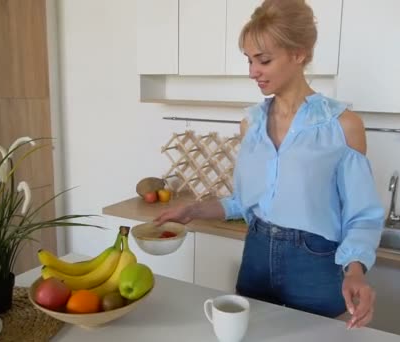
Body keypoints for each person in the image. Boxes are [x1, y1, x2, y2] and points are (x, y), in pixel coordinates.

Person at [154, 0, 384, 329]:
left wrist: (356, 271)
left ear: (299, 53)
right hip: (257, 255)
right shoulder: (252, 123)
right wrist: (192, 211)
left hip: (315, 265)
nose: (252, 71)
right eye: (249, 60)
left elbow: (362, 216)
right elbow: (244, 201)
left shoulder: (342, 126)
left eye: (264, 60)